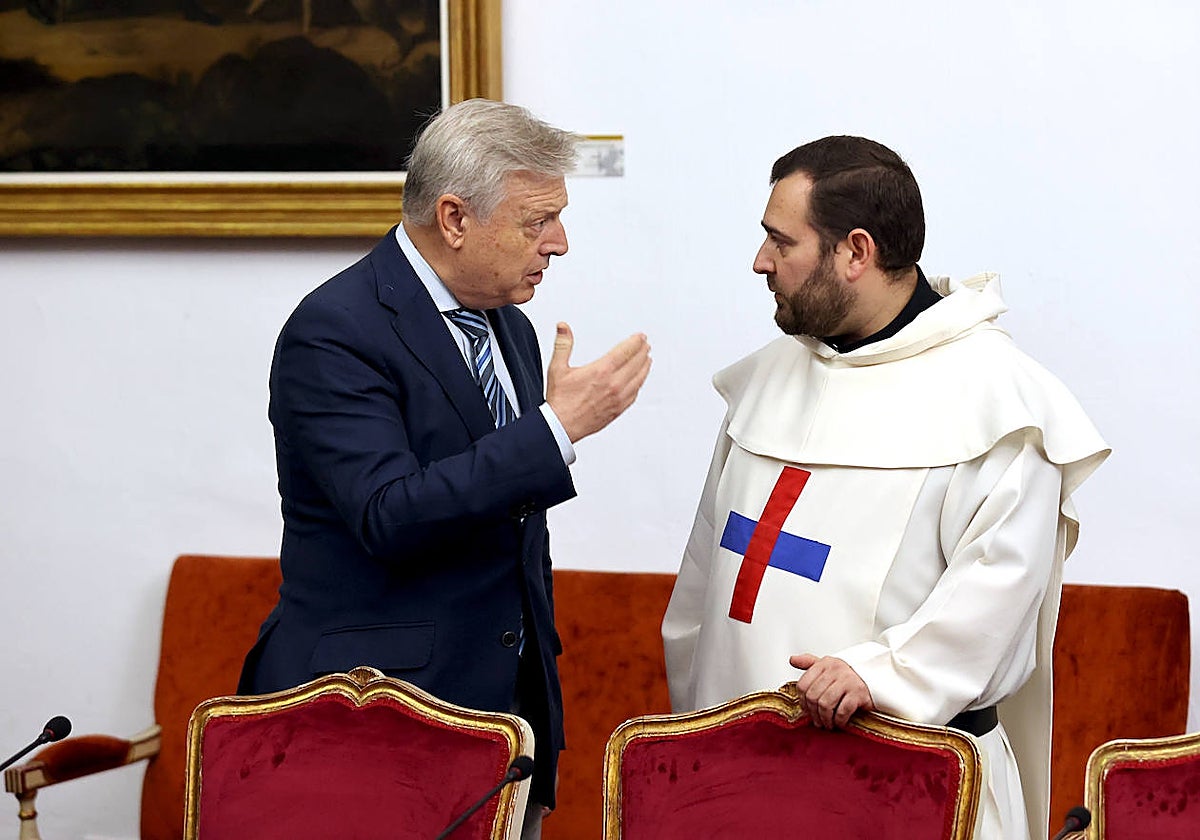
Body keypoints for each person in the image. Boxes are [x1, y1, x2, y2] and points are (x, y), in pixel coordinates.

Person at [661, 136, 1108, 840]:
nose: (761, 262)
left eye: (782, 242)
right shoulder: (767, 381)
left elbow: (996, 594)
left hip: (914, 783)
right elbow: (702, 589)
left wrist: (880, 674)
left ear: (855, 252)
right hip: (744, 784)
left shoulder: (998, 401)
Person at [239, 98, 652, 838]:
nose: (559, 243)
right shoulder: (335, 329)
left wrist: (537, 720)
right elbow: (389, 514)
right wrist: (557, 429)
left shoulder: (512, 327)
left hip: (503, 727)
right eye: (537, 221)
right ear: (455, 218)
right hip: (370, 719)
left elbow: (508, 533)